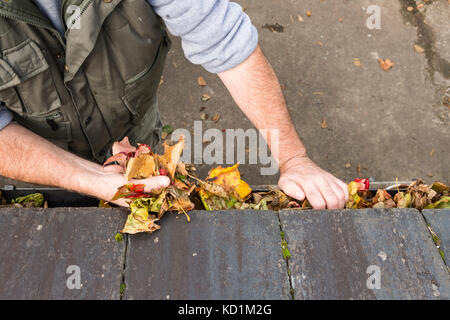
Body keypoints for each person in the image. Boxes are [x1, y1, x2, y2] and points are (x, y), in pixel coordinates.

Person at [0, 0, 348, 209]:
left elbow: (227, 42)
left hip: (135, 134)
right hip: (34, 167)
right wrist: (89, 180)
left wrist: (293, 158)